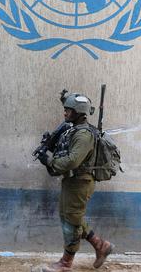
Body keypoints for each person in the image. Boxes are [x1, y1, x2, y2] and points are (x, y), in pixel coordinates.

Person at [37, 91, 113, 271]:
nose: (65, 113)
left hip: (81, 182)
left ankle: (65, 263)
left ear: (78, 112)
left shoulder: (83, 135)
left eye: (68, 110)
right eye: (65, 109)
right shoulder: (74, 129)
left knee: (71, 221)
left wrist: (49, 161)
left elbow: (72, 161)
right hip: (72, 181)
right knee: (71, 217)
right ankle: (101, 246)